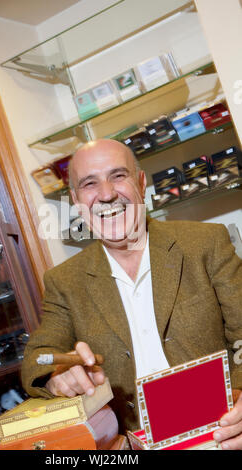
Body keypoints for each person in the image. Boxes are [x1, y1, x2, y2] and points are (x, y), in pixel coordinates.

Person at [22, 139, 242, 448]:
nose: (107, 194)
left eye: (118, 175)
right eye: (89, 183)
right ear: (76, 201)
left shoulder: (205, 244)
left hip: (219, 432)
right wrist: (57, 376)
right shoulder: (65, 281)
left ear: (140, 182)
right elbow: (36, 358)